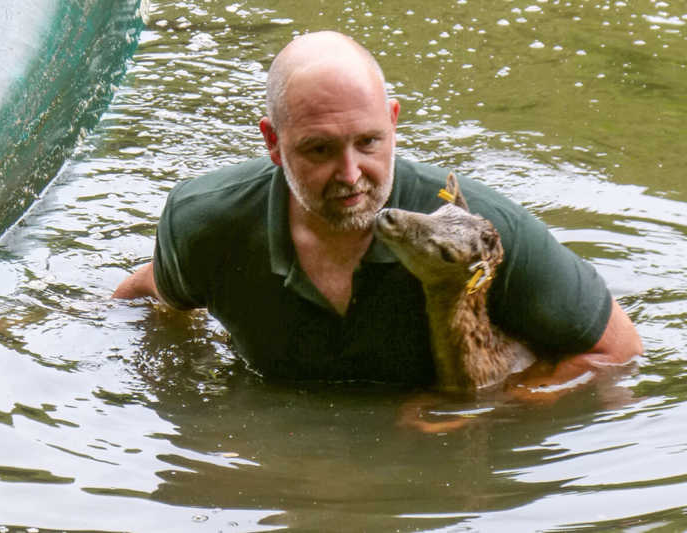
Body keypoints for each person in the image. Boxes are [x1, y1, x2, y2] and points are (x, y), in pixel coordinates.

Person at [113, 30, 643, 397]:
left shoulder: (481, 230)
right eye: (319, 150)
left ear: (393, 121)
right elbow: (151, 292)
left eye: (369, 142)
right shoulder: (206, 222)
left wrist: (503, 404)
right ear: (273, 143)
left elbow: (618, 350)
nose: (351, 174)